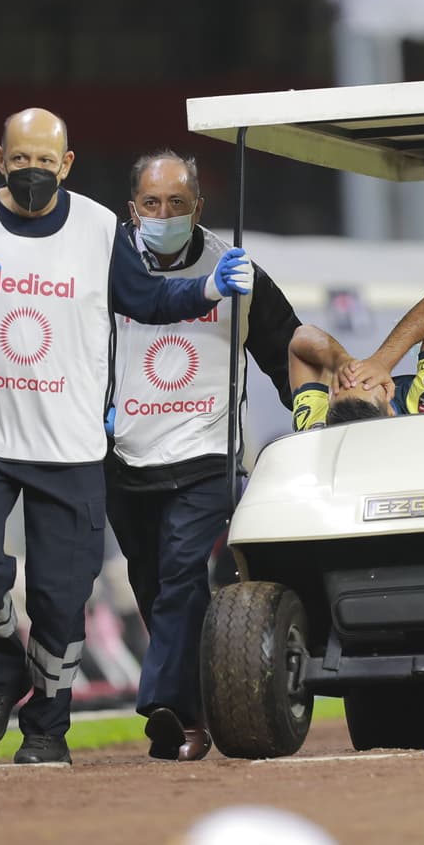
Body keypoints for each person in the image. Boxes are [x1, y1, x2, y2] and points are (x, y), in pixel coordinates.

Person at [0, 108, 253, 765]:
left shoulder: (100, 228)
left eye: (44, 163)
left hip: (70, 440)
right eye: (20, 161)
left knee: (60, 599)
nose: (31, 174)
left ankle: (46, 729)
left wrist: (205, 288)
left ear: (66, 165)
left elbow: (146, 300)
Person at [105, 151, 302, 761]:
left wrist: (312, 415)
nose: (165, 215)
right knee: (153, 584)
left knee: (182, 576)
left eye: (178, 204)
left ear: (199, 207)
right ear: (131, 208)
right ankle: (208, 693)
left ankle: (174, 712)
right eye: (152, 204)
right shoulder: (102, 264)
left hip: (205, 456)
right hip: (125, 455)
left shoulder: (237, 271)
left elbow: (285, 350)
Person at [290, 285, 424, 429]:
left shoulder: (318, 428)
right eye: (367, 382)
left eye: (342, 382)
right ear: (390, 411)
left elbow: (301, 337)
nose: (354, 374)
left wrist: (341, 361)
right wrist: (382, 361)